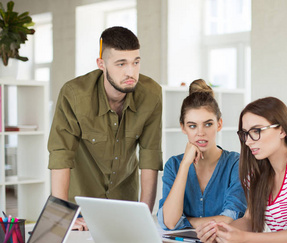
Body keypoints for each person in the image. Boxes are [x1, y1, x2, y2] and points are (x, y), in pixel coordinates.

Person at [48, 26, 163, 230]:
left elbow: (150, 156)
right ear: (101, 64)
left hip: (126, 207)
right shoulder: (74, 95)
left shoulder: (151, 94)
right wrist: (63, 215)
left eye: (135, 62)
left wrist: (143, 214)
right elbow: (60, 155)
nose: (131, 72)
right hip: (80, 208)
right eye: (121, 64)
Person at [196, 97, 287, 243]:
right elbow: (249, 220)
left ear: (281, 130)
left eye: (256, 131)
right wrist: (219, 230)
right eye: (245, 133)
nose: (248, 141)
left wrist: (245, 239)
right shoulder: (257, 173)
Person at [157, 79, 247, 230]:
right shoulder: (174, 165)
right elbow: (170, 221)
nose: (200, 133)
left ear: (219, 124)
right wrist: (185, 164)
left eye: (208, 124)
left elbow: (231, 219)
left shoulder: (235, 163)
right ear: (183, 128)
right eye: (192, 126)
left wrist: (184, 222)